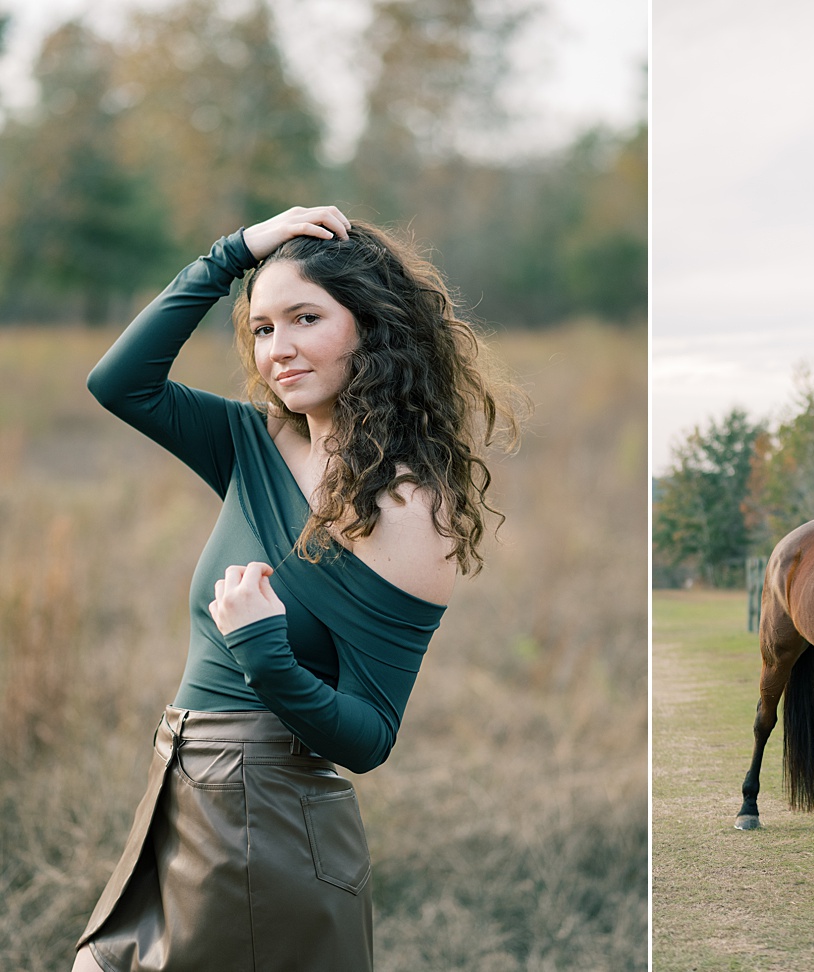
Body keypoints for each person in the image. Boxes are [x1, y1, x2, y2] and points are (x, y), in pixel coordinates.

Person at [72, 205, 519, 971]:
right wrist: (234, 253)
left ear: (370, 328)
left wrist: (263, 651)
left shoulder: (411, 506)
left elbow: (371, 736)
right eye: (263, 328)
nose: (279, 349)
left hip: (268, 823)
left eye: (305, 318)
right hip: (181, 788)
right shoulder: (253, 443)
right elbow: (120, 384)